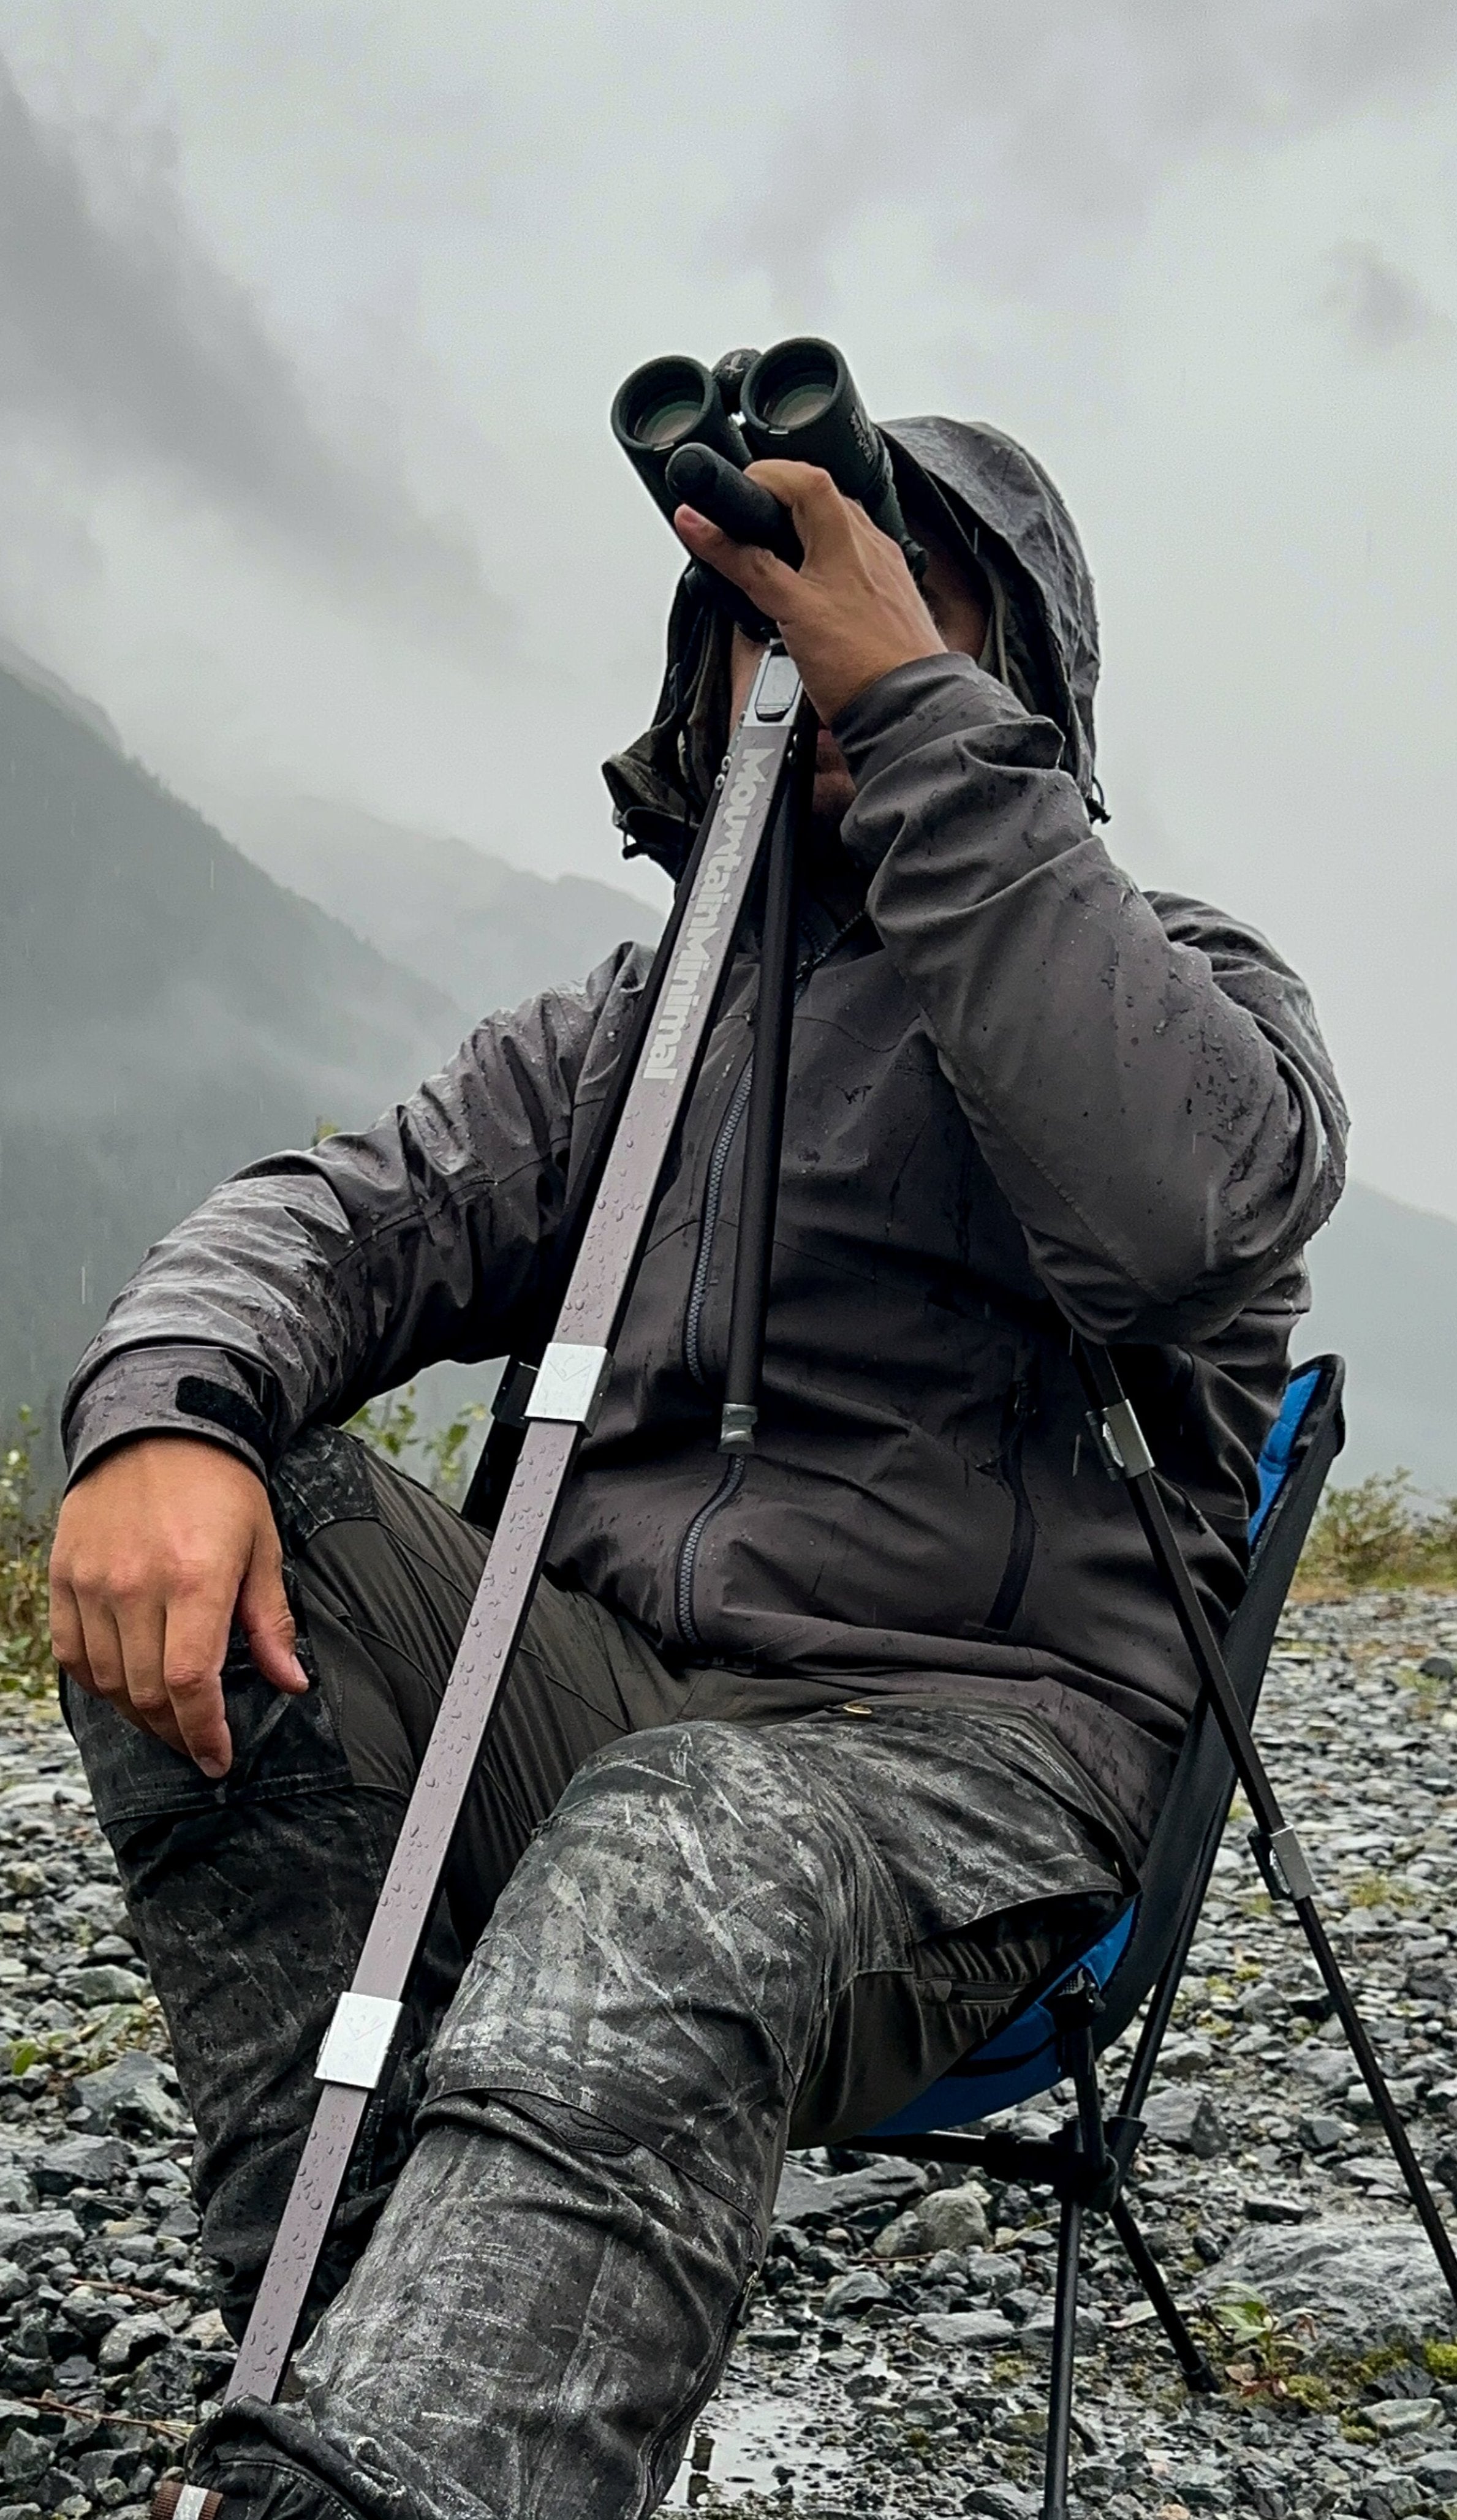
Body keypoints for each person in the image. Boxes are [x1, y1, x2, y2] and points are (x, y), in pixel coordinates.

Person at [49, 411, 1346, 2520]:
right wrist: (163, 1413)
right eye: (766, 603)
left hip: (967, 1779)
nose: (808, 642)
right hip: (602, 1709)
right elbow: (343, 1213)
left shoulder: (1186, 988)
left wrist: (918, 727)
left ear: (1021, 679)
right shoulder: (639, 1030)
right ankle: (375, 2397)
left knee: (691, 1825)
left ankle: (408, 2466)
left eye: (897, 602)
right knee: (220, 1481)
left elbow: (1176, 1207)